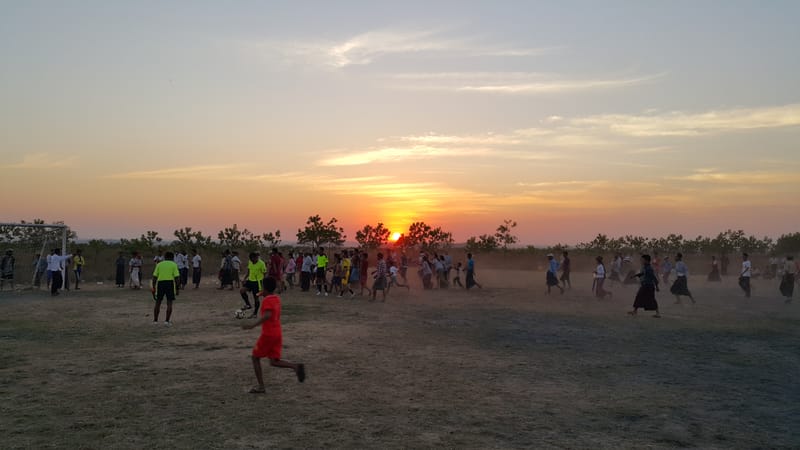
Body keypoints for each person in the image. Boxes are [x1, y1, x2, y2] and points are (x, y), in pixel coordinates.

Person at [241, 277, 306, 393]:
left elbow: (267, 315)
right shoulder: (276, 298)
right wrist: (262, 293)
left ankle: (261, 387)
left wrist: (252, 325)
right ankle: (295, 366)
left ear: (264, 287)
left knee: (255, 358)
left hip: (268, 334)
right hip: (277, 333)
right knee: (274, 361)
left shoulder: (267, 301)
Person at [151, 251, 180, 326]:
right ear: (172, 258)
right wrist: (177, 288)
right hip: (170, 283)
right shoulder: (174, 264)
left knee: (158, 302)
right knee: (169, 303)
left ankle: (155, 321)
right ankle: (166, 321)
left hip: (160, 283)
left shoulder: (159, 264)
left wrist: (153, 288)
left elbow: (154, 277)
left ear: (164, 257)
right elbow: (177, 278)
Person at [240, 252, 267, 316]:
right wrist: (244, 279)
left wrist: (264, 284)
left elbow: (265, 274)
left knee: (256, 298)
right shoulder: (250, 262)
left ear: (256, 257)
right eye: (251, 260)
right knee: (242, 290)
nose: (252, 261)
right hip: (250, 281)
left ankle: (255, 314)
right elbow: (249, 272)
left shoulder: (261, 264)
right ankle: (248, 304)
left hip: (257, 283)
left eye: (254, 259)